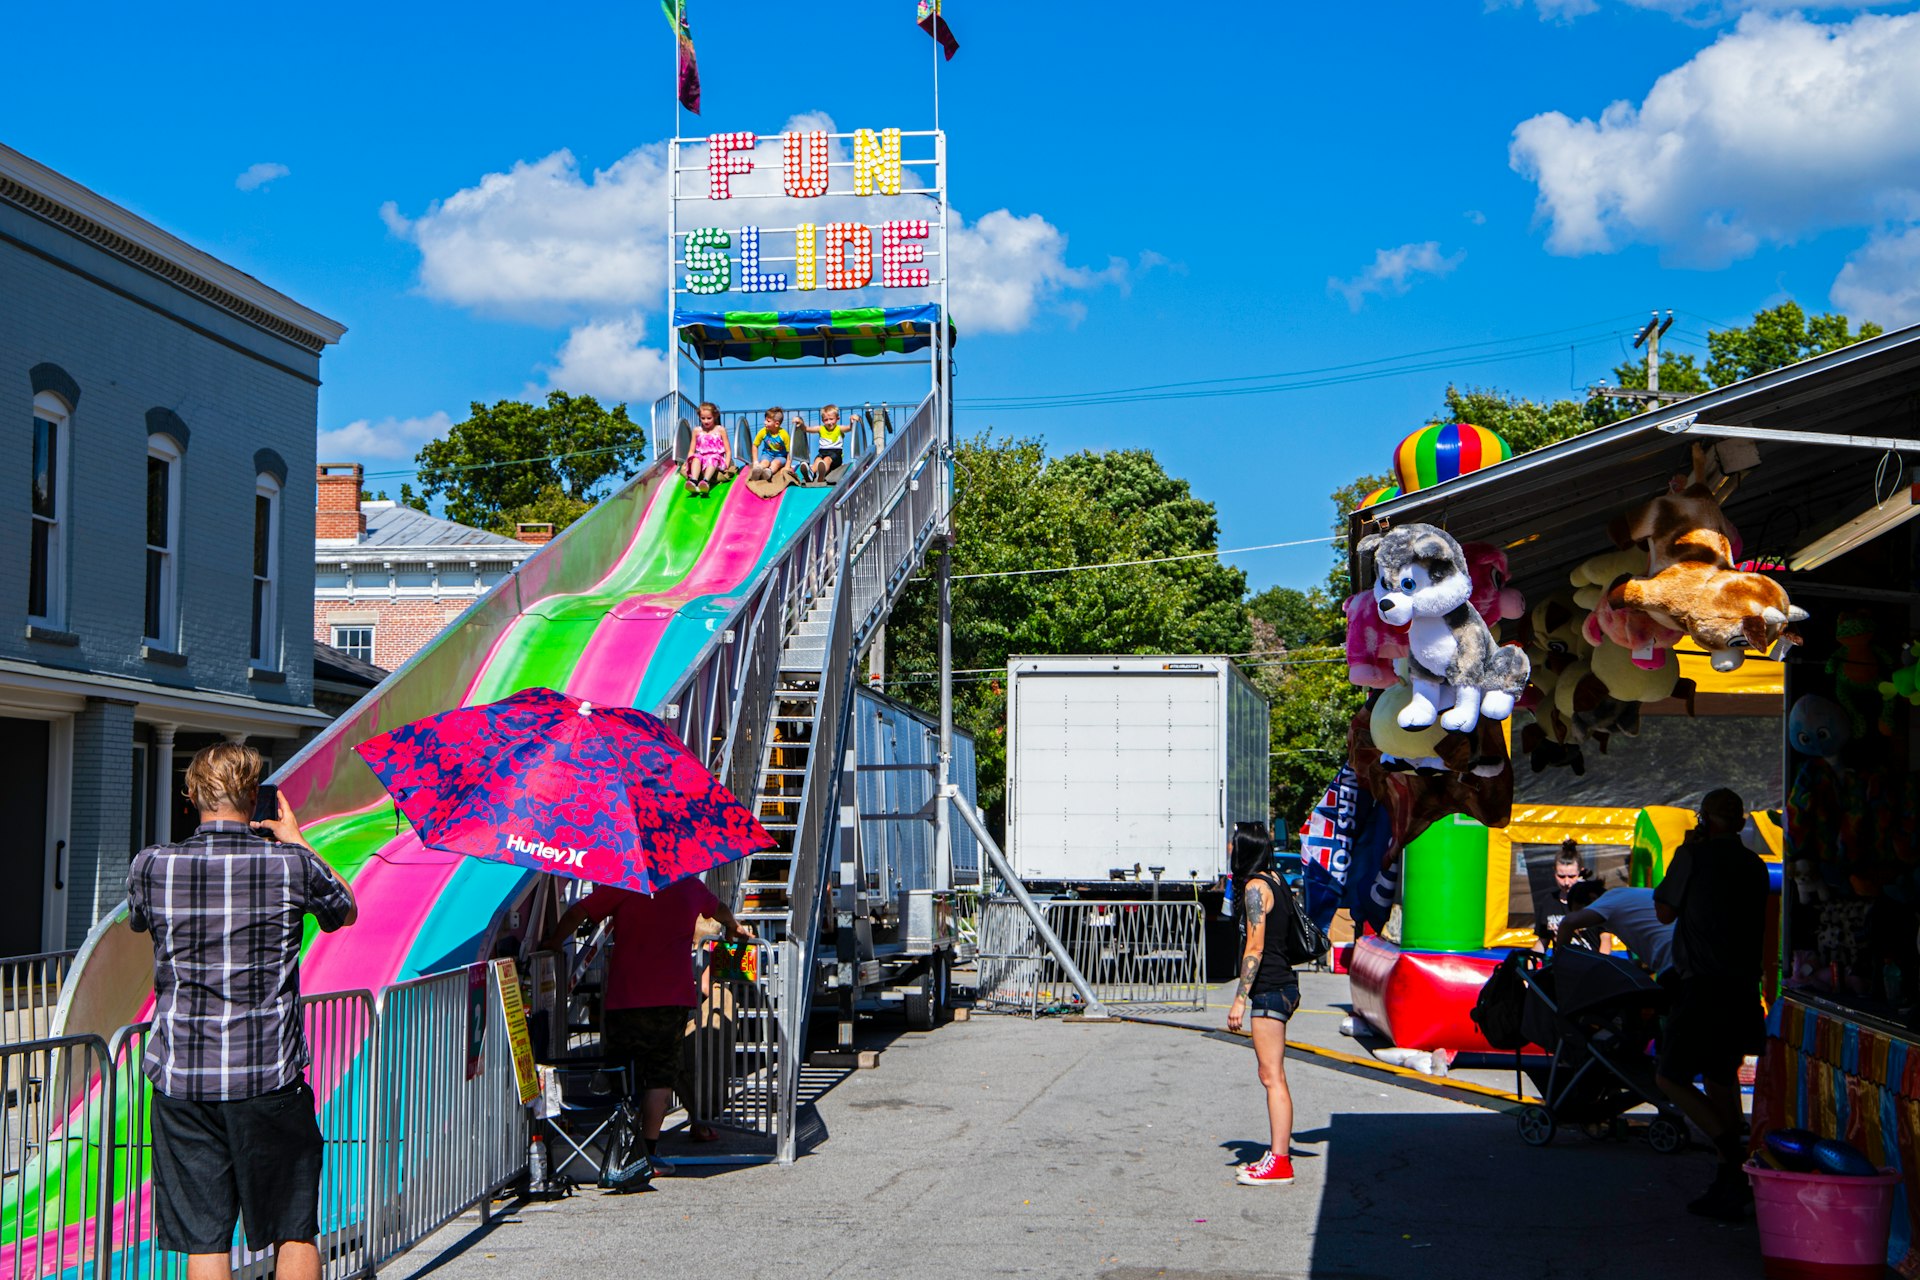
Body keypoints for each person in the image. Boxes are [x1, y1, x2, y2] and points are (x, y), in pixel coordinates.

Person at [126, 744, 357, 1280]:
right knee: (293, 1228)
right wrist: (297, 839)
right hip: (269, 1078)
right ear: (256, 799)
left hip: (184, 1079)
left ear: (191, 798)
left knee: (206, 1238)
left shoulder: (153, 865)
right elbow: (345, 909)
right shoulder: (292, 864)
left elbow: (139, 923)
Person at [544, 878, 754, 1182]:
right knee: (660, 1078)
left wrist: (553, 942)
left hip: (625, 997)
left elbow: (579, 912)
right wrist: (733, 926)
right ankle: (649, 1154)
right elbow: (719, 909)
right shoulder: (689, 886)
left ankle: (620, 1149)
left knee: (622, 1074)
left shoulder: (626, 883)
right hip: (672, 1000)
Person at [1653, 788, 1769, 1221]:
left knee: (1669, 1076)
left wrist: (1685, 852)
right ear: (1740, 823)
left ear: (1705, 821)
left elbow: (1664, 910)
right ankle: (1728, 1180)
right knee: (1721, 1078)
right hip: (1742, 987)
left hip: (1703, 986)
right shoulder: (1755, 865)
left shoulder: (1695, 857)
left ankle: (1730, 1152)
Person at [1225, 828, 1297, 1187]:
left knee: (1272, 1076)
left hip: (1268, 987)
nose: (1228, 850)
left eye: (1233, 846)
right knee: (1271, 1075)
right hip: (1281, 983)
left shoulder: (1256, 888)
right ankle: (1277, 1152)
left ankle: (1280, 1162)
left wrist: (1240, 997)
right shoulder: (1276, 879)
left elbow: (1254, 947)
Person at [1558, 881, 1674, 973]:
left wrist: (1560, 965)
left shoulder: (1610, 899)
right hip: (1685, 954)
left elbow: (1567, 923)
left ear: (1592, 898)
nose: (1589, 926)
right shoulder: (1630, 896)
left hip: (1673, 961)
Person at [1535, 840, 1588, 948]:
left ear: (1580, 873)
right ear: (1554, 872)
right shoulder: (1548, 901)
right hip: (1561, 962)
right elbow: (1542, 941)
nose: (1566, 882)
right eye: (1561, 877)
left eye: (1572, 876)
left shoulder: (1591, 901)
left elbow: (1605, 941)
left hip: (1590, 961)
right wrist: (1529, 961)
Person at [802, 404, 859, 483]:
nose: (829, 422)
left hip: (836, 455)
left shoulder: (839, 428)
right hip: (822, 453)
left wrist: (853, 420)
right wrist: (800, 422)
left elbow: (849, 428)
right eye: (826, 420)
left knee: (827, 459)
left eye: (831, 419)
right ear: (822, 420)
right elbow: (806, 429)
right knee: (818, 460)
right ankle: (810, 474)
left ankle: (821, 474)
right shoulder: (821, 428)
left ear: (837, 419)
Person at [684, 401, 730, 495]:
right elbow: (691, 450)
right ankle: (694, 481)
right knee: (696, 458)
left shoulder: (720, 430)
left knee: (713, 458)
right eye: (703, 418)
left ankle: (705, 481)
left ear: (715, 416)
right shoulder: (697, 431)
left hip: (716, 459)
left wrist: (726, 465)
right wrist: (687, 462)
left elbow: (728, 450)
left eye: (709, 418)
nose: (706, 421)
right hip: (702, 458)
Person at [748, 406, 793, 485]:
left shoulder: (784, 435)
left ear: (776, 424)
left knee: (776, 463)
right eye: (765, 420)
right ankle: (758, 470)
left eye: (768, 421)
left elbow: (790, 452)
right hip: (767, 454)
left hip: (781, 456)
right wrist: (755, 461)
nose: (765, 422)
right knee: (765, 462)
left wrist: (787, 466)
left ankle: (769, 472)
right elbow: (755, 445)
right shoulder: (763, 432)